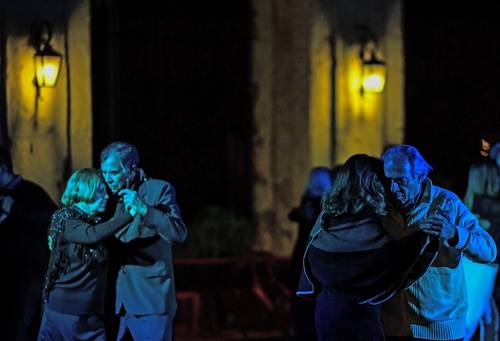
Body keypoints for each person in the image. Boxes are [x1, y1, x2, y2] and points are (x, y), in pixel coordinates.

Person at [298, 154, 437, 341]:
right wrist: (427, 236)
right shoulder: (371, 224)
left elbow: (311, 263)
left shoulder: (326, 220)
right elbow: (393, 266)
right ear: (374, 184)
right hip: (361, 319)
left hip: (326, 313)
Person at [381, 144, 497, 341]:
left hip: (440, 328)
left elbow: (488, 250)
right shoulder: (383, 204)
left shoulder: (446, 202)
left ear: (419, 176)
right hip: (393, 326)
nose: (393, 189)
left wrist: (455, 234)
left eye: (400, 181)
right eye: (388, 180)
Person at [100, 142, 187, 341]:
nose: (107, 179)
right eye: (104, 172)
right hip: (113, 303)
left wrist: (145, 209)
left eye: (113, 172)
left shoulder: (159, 190)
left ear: (131, 169)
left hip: (150, 301)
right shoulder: (105, 195)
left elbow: (178, 233)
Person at [37, 168, 134, 340]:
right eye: (100, 192)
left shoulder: (94, 222)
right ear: (84, 191)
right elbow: (91, 234)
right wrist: (131, 214)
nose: (106, 197)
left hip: (88, 314)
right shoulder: (65, 218)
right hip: (65, 312)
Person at [1, 146, 57, 341]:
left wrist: (16, 209)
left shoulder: (31, 193)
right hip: (8, 280)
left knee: (24, 330)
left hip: (29, 278)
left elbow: (52, 221)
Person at [288, 166, 333, 341]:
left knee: (304, 311)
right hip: (316, 263)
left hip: (303, 261)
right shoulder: (323, 205)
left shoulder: (308, 202)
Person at [464, 141, 500, 340]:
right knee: (474, 309)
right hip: (484, 254)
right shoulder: (481, 172)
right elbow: (469, 208)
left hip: (488, 253)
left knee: (485, 307)